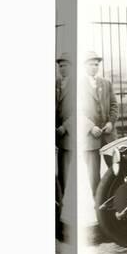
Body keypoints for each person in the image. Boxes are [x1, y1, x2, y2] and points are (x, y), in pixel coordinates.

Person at [81, 51, 119, 197]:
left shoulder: (106, 83)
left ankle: (116, 198)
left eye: (96, 64)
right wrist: (90, 127)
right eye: (91, 64)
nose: (94, 67)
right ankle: (98, 202)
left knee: (115, 166)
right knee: (93, 172)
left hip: (108, 135)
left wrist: (111, 122)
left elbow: (114, 105)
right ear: (85, 66)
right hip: (90, 137)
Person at [55, 51, 72, 241]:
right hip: (56, 140)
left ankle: (64, 228)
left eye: (64, 65)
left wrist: (64, 127)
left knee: (65, 185)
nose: (62, 69)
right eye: (59, 66)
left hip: (67, 140)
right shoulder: (56, 85)